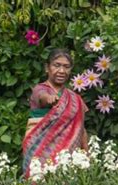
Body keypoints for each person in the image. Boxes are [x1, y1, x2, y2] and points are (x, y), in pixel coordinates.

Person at [22, 49, 89, 177]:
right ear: (47, 68)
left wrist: (86, 154)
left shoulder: (75, 98)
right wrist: (50, 99)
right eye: (57, 65)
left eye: (66, 67)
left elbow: (81, 129)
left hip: (67, 155)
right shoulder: (39, 89)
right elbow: (43, 97)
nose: (62, 71)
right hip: (38, 151)